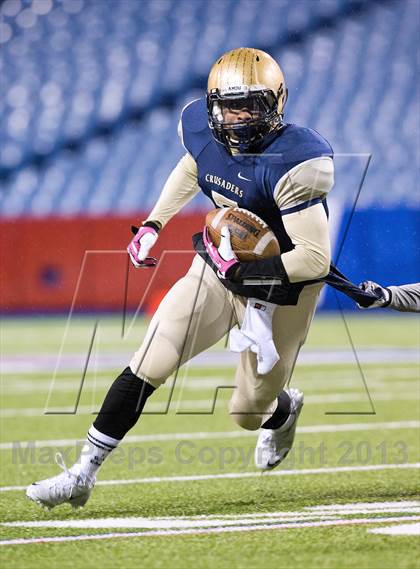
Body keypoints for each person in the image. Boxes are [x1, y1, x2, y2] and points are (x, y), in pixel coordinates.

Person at [27, 47, 335, 509]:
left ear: (276, 102)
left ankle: (284, 410)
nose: (239, 117)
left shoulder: (298, 161)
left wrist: (245, 268)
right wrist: (154, 223)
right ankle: (82, 472)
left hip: (282, 291)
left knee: (248, 412)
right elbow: (195, 167)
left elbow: (314, 260)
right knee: (152, 356)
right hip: (217, 270)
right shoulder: (200, 132)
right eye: (230, 106)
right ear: (213, 107)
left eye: (251, 104)